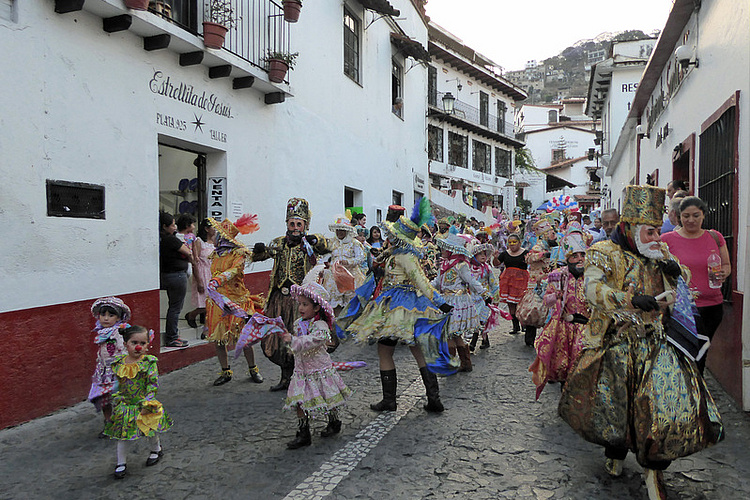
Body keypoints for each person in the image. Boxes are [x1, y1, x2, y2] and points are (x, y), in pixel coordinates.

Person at [558, 185, 723, 500]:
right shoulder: (604, 252)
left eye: (657, 231)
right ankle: (616, 450)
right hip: (617, 342)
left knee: (664, 405)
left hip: (658, 343)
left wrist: (676, 272)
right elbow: (592, 291)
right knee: (615, 406)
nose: (657, 238)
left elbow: (685, 281)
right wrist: (630, 299)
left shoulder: (659, 252)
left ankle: (655, 463)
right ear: (630, 229)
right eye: (650, 232)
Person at [338, 205, 455, 413]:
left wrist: (439, 302)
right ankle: (431, 398)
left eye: (393, 235)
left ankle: (394, 400)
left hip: (396, 307)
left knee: (387, 351)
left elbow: (421, 281)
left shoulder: (404, 257)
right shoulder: (399, 253)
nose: (389, 237)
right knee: (414, 350)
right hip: (405, 307)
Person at [251, 198, 329, 391]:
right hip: (279, 299)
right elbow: (260, 255)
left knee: (298, 337)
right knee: (277, 338)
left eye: (298, 224)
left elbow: (325, 246)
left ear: (305, 225)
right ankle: (286, 377)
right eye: (291, 223)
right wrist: (258, 251)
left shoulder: (308, 244)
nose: (295, 227)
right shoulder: (278, 243)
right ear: (287, 224)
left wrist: (316, 240)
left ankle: (302, 377)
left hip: (299, 302)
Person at [661, 196, 731, 373]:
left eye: (695, 215)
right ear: (678, 216)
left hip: (712, 306)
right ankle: (684, 391)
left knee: (701, 353)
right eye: (686, 216)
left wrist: (724, 272)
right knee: (682, 352)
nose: (691, 220)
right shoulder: (667, 240)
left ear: (703, 216)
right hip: (681, 307)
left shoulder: (715, 237)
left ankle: (697, 391)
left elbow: (726, 265)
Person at [282, 282, 353, 449]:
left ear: (316, 308)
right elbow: (298, 344)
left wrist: (294, 341)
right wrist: (290, 346)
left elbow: (314, 340)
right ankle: (303, 433)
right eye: (299, 303)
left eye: (305, 304)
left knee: (328, 397)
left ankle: (334, 421)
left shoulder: (320, 326)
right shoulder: (298, 323)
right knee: (299, 401)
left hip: (319, 369)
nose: (300, 307)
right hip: (301, 371)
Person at [104, 325, 173, 479]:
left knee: (149, 430)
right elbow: (115, 383)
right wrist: (116, 397)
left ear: (147, 345)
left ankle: (156, 449)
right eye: (134, 342)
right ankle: (121, 463)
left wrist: (148, 399)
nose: (138, 347)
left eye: (142, 343)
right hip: (126, 405)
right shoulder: (118, 364)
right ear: (125, 344)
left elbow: (152, 382)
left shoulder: (148, 362)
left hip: (144, 403)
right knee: (123, 435)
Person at [529, 225, 589, 398]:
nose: (579, 259)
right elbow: (547, 301)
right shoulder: (559, 275)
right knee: (564, 367)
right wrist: (556, 295)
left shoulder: (592, 275)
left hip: (586, 328)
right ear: (568, 258)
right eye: (574, 256)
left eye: (582, 255)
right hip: (565, 328)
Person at [206, 215, 265, 386]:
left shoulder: (239, 254)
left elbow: (234, 271)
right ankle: (225, 371)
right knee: (218, 339)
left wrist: (219, 279)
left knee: (244, 338)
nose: (214, 236)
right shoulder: (214, 255)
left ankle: (253, 368)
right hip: (217, 302)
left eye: (217, 233)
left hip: (237, 302)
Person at [433, 233, 490, 372]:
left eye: (445, 248)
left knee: (451, 333)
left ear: (451, 250)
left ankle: (454, 364)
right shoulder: (445, 265)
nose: (442, 250)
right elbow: (437, 281)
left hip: (458, 302)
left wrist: (484, 293)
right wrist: (425, 287)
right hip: (446, 300)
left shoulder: (461, 265)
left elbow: (471, 281)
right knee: (453, 333)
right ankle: (464, 363)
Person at [87, 297, 132, 437]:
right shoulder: (101, 332)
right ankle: (109, 423)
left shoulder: (119, 332)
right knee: (104, 398)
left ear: (118, 318)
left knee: (120, 398)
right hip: (103, 371)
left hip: (118, 370)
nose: (106, 318)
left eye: (111, 315)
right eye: (103, 315)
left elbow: (124, 349)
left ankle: (122, 423)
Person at [321, 215, 367, 311]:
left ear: (347, 231)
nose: (339, 232)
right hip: (334, 276)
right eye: (337, 230)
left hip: (350, 276)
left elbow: (361, 257)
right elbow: (325, 256)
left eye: (342, 230)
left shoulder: (354, 243)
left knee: (349, 303)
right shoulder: (332, 242)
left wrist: (348, 262)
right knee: (334, 301)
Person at [159, 211, 191, 348]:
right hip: (176, 276)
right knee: (175, 308)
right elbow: (188, 252)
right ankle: (172, 337)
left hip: (167, 275)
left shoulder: (162, 239)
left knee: (173, 307)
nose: (175, 227)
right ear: (165, 226)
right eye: (172, 225)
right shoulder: (171, 239)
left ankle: (173, 335)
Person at [185, 219, 216, 331]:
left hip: (212, 273)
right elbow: (195, 261)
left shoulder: (214, 242)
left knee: (213, 302)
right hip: (202, 273)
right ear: (206, 229)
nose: (215, 230)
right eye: (213, 227)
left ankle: (207, 327)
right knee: (205, 303)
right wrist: (199, 280)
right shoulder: (199, 241)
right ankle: (192, 315)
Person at [468, 241, 499, 351]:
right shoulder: (468, 268)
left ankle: (473, 341)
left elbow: (494, 283)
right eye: (480, 254)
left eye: (484, 254)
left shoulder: (487, 268)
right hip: (472, 298)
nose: (483, 256)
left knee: (481, 320)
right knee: (476, 320)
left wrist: (496, 297)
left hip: (484, 298)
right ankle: (485, 340)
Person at [495, 233, 529, 334]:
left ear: (519, 243)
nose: (512, 244)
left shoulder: (525, 253)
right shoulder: (505, 253)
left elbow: (531, 262)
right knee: (511, 303)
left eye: (514, 242)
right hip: (508, 281)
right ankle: (515, 326)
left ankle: (523, 324)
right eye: (510, 243)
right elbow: (496, 263)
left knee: (521, 302)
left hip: (521, 281)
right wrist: (495, 257)